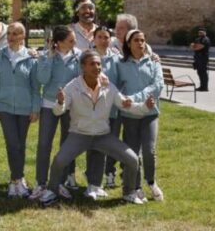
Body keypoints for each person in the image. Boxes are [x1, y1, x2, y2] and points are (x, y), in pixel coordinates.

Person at [37, 50, 154, 206]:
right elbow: (58, 110)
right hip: (79, 134)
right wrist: (60, 102)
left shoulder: (108, 86)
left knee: (132, 160)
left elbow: (126, 105)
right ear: (83, 67)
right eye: (92, 64)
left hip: (102, 136)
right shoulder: (72, 87)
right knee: (59, 161)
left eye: (99, 64)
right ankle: (52, 191)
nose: (97, 67)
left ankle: (129, 192)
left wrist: (144, 107)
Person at [0, 22, 40, 198]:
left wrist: (35, 108)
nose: (11, 37)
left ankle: (19, 179)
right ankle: (15, 180)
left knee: (21, 144)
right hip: (5, 108)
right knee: (12, 144)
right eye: (9, 33)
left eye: (16, 33)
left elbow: (35, 86)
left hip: (25, 108)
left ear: (23, 37)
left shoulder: (31, 58)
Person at [30, 26, 81, 200]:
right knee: (44, 145)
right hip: (49, 105)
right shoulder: (45, 56)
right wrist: (49, 59)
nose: (74, 43)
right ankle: (40, 183)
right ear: (58, 43)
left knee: (67, 145)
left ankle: (59, 182)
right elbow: (42, 80)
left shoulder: (79, 56)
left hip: (70, 106)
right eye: (71, 41)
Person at [117, 29, 165, 203]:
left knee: (149, 150)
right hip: (130, 114)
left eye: (143, 40)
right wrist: (128, 101)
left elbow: (158, 85)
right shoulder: (120, 64)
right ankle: (136, 187)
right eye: (136, 40)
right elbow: (116, 87)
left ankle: (151, 182)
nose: (140, 43)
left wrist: (137, 98)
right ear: (129, 44)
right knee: (132, 153)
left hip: (150, 113)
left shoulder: (153, 62)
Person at [87, 26, 122, 194]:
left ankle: (106, 176)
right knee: (94, 145)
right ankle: (92, 181)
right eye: (100, 37)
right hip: (92, 110)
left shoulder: (117, 58)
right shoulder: (86, 58)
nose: (103, 40)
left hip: (112, 110)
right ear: (94, 39)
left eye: (106, 37)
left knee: (110, 144)